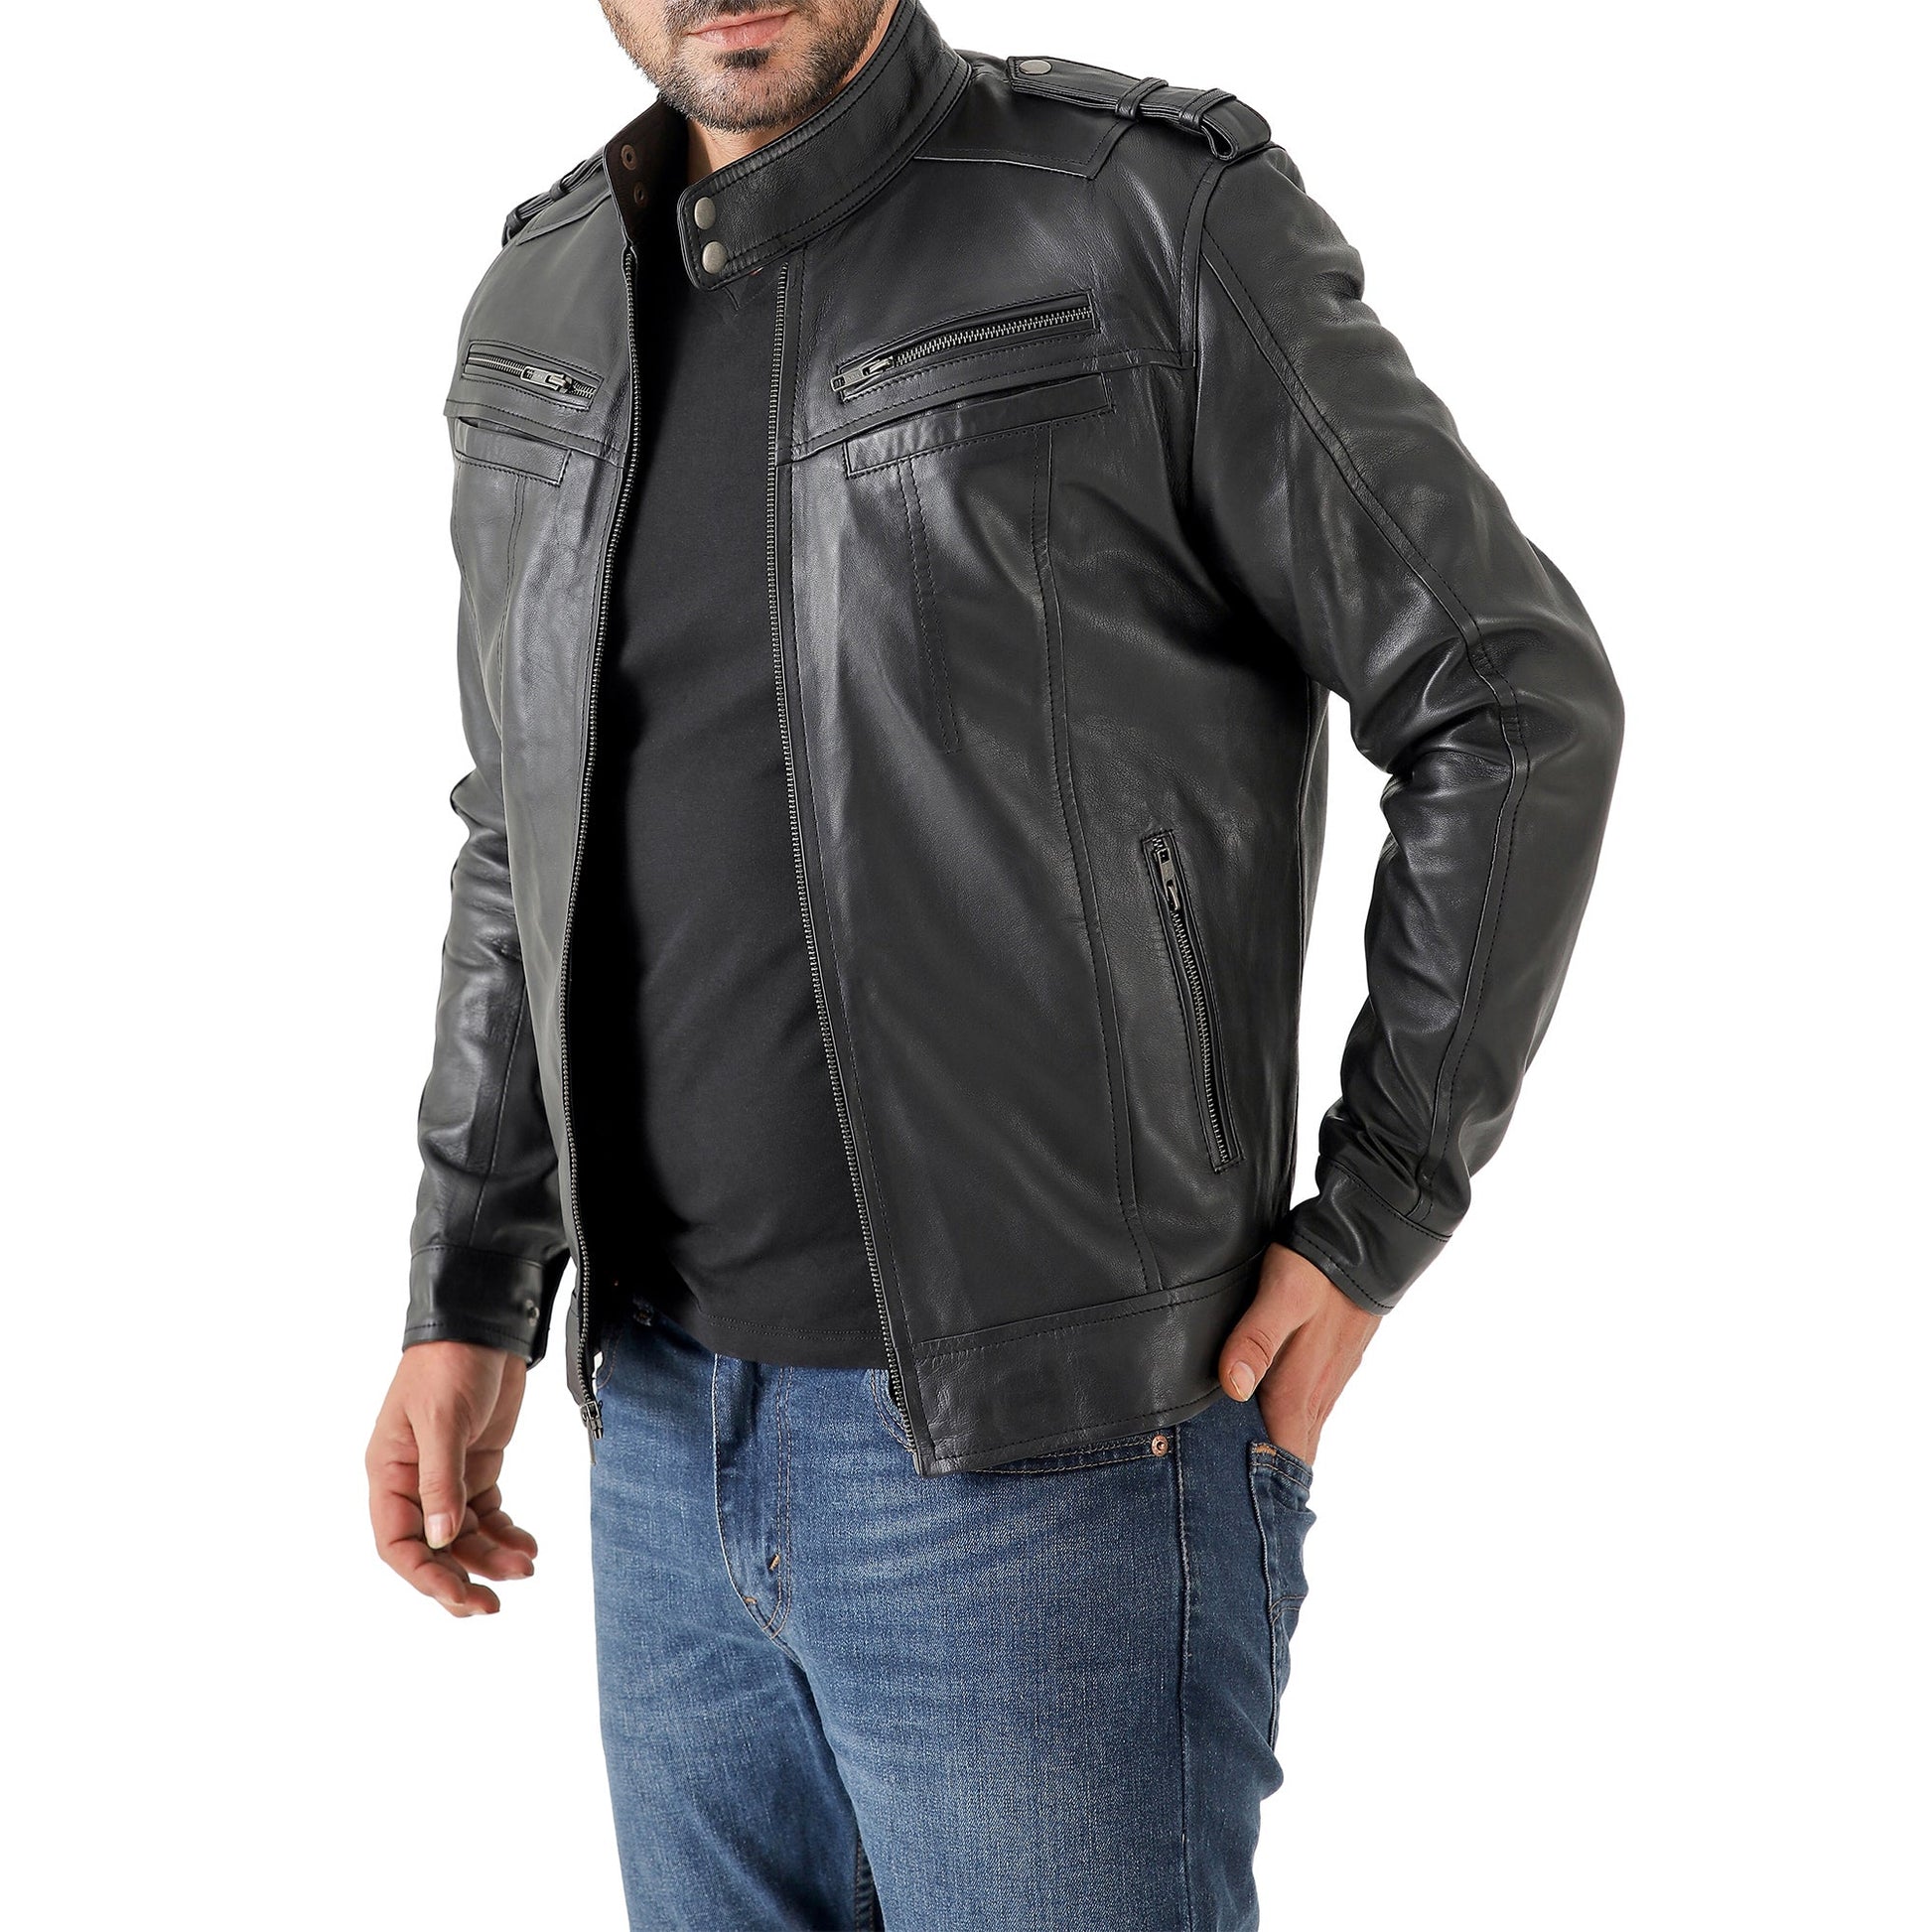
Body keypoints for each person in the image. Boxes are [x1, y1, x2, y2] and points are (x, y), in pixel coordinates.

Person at [364, 2, 1623, 1924]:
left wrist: (1379, 1205)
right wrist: (467, 1283)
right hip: (665, 1438)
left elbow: (1507, 702)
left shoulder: (1135, 218)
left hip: (1058, 1455)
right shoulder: (543, 303)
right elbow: (515, 830)